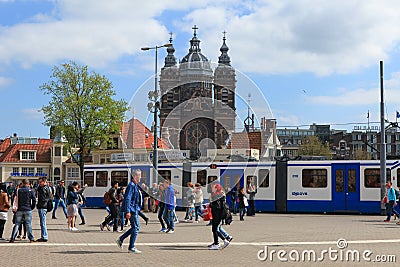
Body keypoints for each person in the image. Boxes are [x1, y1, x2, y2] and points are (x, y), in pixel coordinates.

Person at [116, 169, 143, 253]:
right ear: (135, 176)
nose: (140, 177)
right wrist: (128, 211)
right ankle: (131, 247)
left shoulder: (134, 185)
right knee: (136, 227)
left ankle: (121, 239)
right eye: (139, 175)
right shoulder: (131, 185)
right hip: (132, 209)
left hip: (134, 209)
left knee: (135, 227)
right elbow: (127, 199)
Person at [9, 179, 36, 243]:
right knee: (28, 224)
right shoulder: (31, 190)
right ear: (28, 183)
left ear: (22, 183)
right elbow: (34, 200)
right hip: (28, 209)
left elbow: (14, 198)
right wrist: (32, 207)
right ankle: (31, 238)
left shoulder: (18, 190)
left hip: (19, 209)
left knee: (17, 224)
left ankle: (12, 238)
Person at [209, 183, 232, 250]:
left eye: (213, 187)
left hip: (217, 214)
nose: (212, 188)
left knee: (215, 229)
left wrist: (210, 205)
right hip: (218, 214)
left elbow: (217, 206)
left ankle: (220, 242)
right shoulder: (219, 194)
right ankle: (218, 242)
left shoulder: (217, 195)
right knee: (215, 229)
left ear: (216, 188)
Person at [36, 177, 51, 241]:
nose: (39, 183)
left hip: (42, 206)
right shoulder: (45, 188)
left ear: (44, 182)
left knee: (43, 223)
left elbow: (43, 199)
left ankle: (44, 236)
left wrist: (39, 205)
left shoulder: (43, 189)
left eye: (40, 182)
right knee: (42, 222)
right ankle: (44, 236)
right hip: (43, 206)